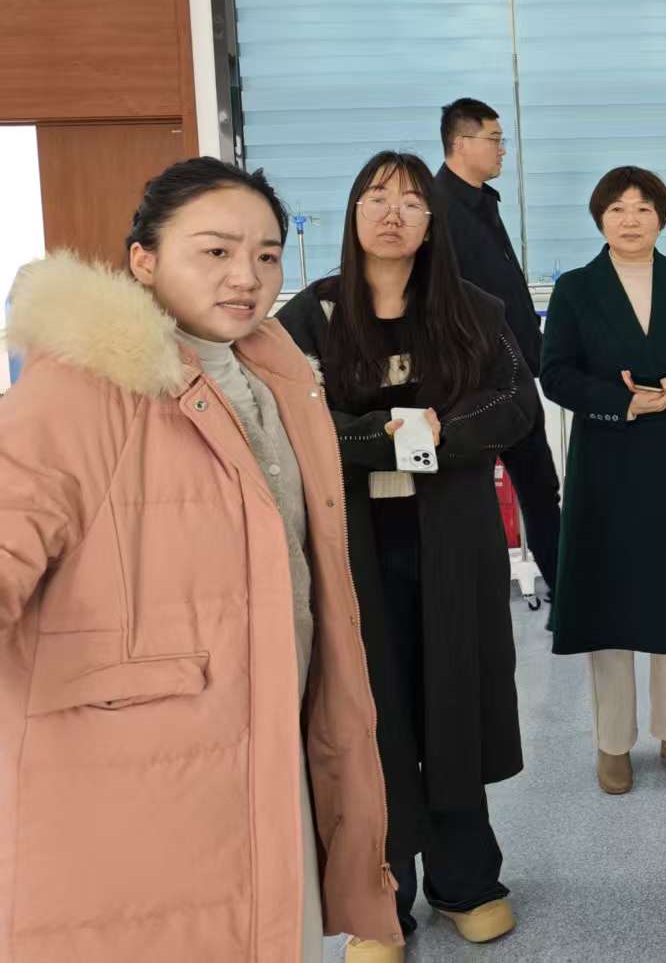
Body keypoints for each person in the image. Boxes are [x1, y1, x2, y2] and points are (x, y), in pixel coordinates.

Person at [0, 159, 399, 962]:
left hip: (272, 737)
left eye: (265, 254)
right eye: (215, 251)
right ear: (143, 259)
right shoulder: (80, 386)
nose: (246, 276)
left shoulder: (275, 375)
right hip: (139, 772)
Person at [279, 151, 537, 961]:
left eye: (412, 200)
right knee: (371, 711)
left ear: (433, 223)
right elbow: (293, 417)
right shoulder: (312, 314)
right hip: (352, 546)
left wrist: (433, 435)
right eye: (376, 196)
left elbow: (515, 402)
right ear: (354, 212)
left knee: (452, 699)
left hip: (451, 541)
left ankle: (467, 877)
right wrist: (381, 439)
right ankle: (380, 898)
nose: (393, 212)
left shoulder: (472, 309)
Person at [541, 166, 666, 796]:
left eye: (644, 208)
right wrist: (620, 402)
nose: (631, 219)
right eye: (618, 208)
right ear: (600, 218)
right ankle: (613, 744)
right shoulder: (576, 289)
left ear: (662, 218)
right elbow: (556, 374)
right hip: (607, 463)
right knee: (609, 602)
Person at [432, 96, 560, 598]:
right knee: (472, 498)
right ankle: (473, 602)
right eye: (494, 139)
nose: (503, 149)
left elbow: (504, 292)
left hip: (515, 376)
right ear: (461, 143)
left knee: (541, 490)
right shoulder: (438, 211)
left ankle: (566, 598)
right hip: (471, 384)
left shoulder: (483, 201)